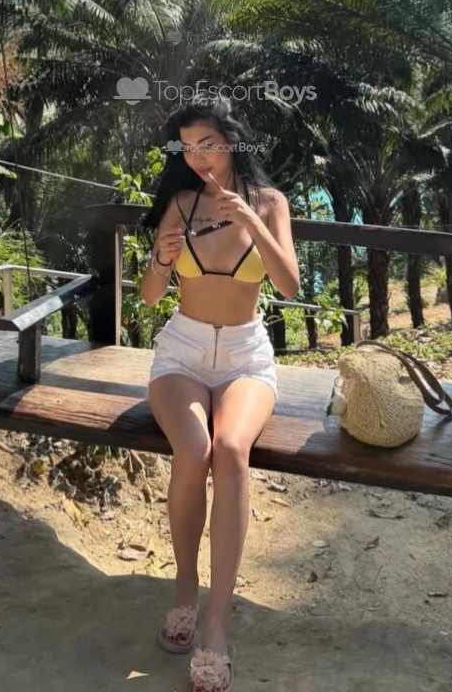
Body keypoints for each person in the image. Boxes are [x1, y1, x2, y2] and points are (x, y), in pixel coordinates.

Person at [140, 96, 300, 692]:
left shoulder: (270, 203)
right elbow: (151, 295)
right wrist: (161, 259)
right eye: (187, 148)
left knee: (231, 449)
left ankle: (216, 620)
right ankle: (185, 587)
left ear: (232, 141)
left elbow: (289, 283)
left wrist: (252, 222)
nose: (197, 157)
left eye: (207, 144)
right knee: (193, 449)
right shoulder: (181, 202)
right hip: (181, 353)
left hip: (244, 357)